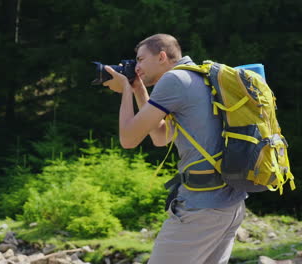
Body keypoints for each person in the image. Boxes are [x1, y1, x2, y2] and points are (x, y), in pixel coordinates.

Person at [103, 33, 247, 264]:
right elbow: (160, 137)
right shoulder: (199, 77)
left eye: (140, 59)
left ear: (161, 56)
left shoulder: (174, 81)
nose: (136, 66)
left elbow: (128, 140)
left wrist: (126, 92)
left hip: (201, 210)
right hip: (229, 205)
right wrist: (139, 90)